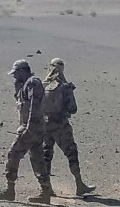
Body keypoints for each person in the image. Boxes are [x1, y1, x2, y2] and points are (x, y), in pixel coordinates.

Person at [0, 60, 53, 204]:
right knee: (37, 159)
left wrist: (28, 128)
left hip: (31, 129)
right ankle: (45, 192)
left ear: (22, 71)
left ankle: (10, 190)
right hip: (35, 128)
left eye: (16, 74)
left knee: (13, 154)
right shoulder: (26, 84)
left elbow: (34, 107)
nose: (14, 77)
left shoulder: (33, 83)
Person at [41, 58, 96, 199]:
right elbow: (73, 108)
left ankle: (47, 188)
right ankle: (79, 184)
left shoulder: (42, 86)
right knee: (71, 152)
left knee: (46, 155)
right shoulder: (65, 87)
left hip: (45, 126)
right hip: (61, 126)